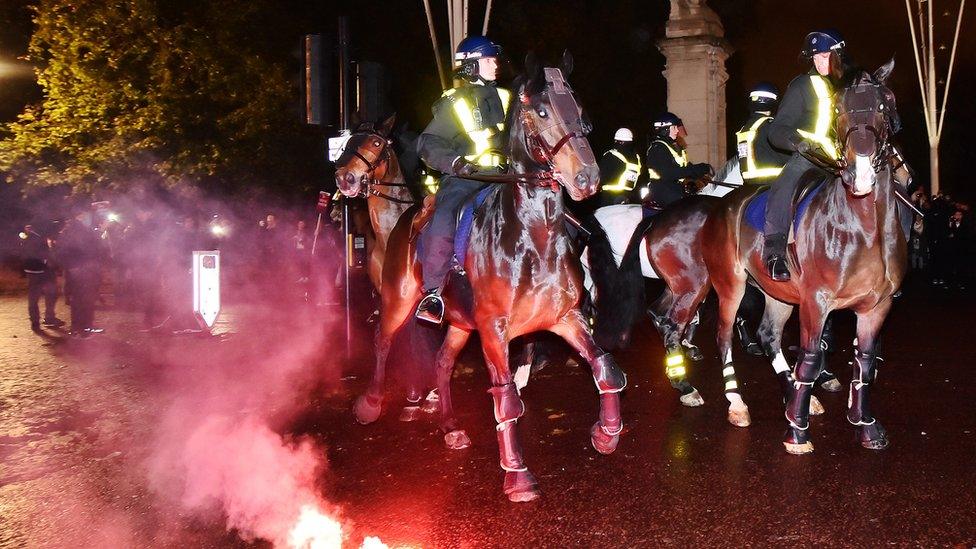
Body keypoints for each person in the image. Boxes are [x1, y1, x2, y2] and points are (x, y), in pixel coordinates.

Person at [415, 35, 511, 324]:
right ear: (471, 67)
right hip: (467, 178)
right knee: (444, 215)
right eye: (489, 59)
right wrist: (456, 163)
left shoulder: (508, 98)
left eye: (495, 59)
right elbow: (428, 143)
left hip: (507, 177)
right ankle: (433, 292)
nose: (496, 64)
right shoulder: (454, 103)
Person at [763, 29, 847, 281]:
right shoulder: (801, 86)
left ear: (838, 56)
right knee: (784, 186)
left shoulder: (844, 88)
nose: (820, 62)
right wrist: (798, 142)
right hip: (808, 159)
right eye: (816, 57)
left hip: (839, 162)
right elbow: (776, 130)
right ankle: (775, 252)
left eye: (825, 56)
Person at [642, 112, 712, 209]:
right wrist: (695, 169)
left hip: (675, 187)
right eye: (674, 128)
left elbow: (684, 167)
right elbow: (668, 173)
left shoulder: (674, 147)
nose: (677, 131)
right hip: (662, 188)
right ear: (665, 129)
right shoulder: (658, 148)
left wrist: (700, 174)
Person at [56, 204, 105, 337]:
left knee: (82, 299)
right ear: (81, 215)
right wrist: (74, 267)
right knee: (82, 299)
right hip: (81, 270)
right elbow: (90, 248)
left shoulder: (72, 229)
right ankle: (81, 327)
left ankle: (82, 327)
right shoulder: (77, 230)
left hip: (80, 269)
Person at [735, 83, 790, 185]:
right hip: (773, 178)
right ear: (774, 102)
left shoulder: (745, 128)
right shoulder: (770, 124)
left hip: (749, 180)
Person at [21, 224, 63, 331]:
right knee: (47, 294)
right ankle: (44, 319)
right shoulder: (37, 239)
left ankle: (39, 321)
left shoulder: (28, 238)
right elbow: (45, 255)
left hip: (35, 271)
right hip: (41, 271)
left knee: (42, 296)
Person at [596, 128, 642, 207]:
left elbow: (601, 176)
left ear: (617, 141)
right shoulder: (636, 158)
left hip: (610, 197)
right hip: (630, 198)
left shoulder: (611, 155)